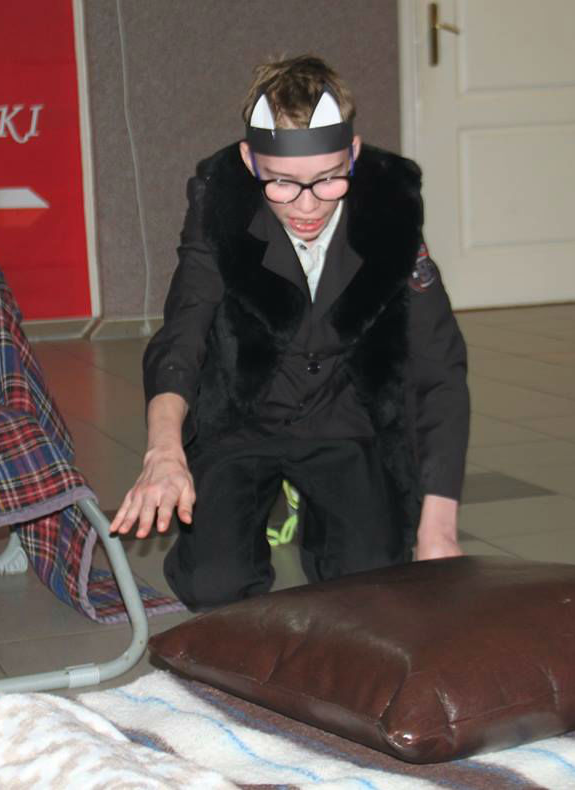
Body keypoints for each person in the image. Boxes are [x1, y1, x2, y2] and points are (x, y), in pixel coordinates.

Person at [109, 54, 470, 611]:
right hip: (241, 411)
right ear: (250, 160)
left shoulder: (391, 203)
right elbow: (183, 331)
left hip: (342, 413)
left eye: (328, 179)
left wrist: (439, 524)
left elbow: (437, 364)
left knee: (371, 580)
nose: (307, 205)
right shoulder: (219, 199)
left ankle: (327, 525)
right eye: (282, 183)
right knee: (215, 584)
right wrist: (163, 449)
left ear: (353, 153)